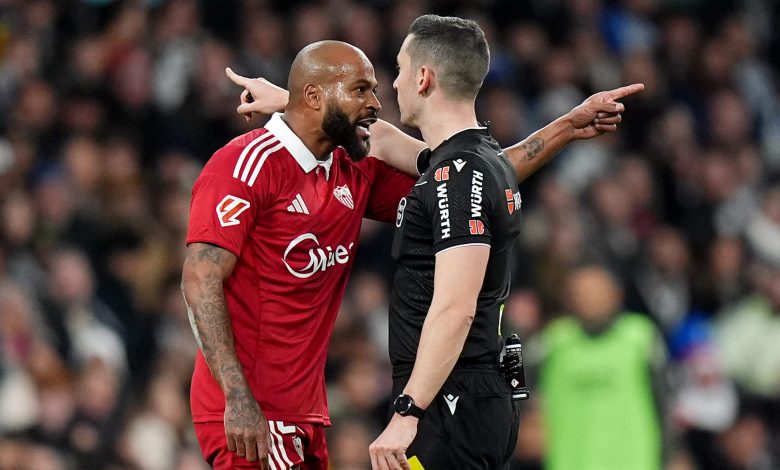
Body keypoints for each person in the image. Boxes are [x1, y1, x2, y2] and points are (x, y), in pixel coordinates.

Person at [186, 37, 641, 470]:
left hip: (306, 412)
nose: (377, 103)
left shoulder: (354, 171)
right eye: (361, 89)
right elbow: (200, 278)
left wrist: (566, 128)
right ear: (313, 95)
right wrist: (236, 397)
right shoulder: (245, 165)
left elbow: (470, 179)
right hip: (251, 411)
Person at [537, 265, 666, 470]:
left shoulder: (641, 337)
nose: (589, 300)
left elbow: (665, 398)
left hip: (634, 460)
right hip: (569, 460)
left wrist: (675, 451)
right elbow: (517, 381)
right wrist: (528, 416)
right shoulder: (553, 342)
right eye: (581, 294)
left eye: (596, 292)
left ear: (616, 294)